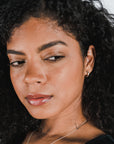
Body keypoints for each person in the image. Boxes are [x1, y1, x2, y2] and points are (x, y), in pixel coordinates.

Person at [0, 0, 114, 144]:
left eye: (53, 57)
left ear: (88, 61)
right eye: (17, 62)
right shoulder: (13, 137)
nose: (31, 77)